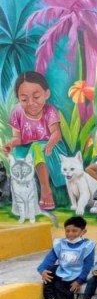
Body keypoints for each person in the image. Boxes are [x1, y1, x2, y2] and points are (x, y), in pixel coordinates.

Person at [3, 71, 66, 210]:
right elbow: (17, 138)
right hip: (28, 148)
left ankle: (46, 191)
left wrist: (49, 144)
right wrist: (10, 144)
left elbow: (56, 134)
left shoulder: (49, 111)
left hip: (51, 148)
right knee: (20, 154)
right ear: (18, 99)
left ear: (46, 94)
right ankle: (22, 197)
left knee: (37, 147)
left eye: (36, 97)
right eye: (24, 99)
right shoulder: (17, 112)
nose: (31, 103)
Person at [37, 216, 96, 299]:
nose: (70, 234)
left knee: (59, 285)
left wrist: (79, 281)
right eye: (67, 231)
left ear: (83, 231)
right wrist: (42, 271)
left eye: (74, 231)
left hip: (77, 273)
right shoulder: (60, 244)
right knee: (49, 271)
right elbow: (48, 260)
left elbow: (88, 265)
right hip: (63, 270)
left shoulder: (87, 246)